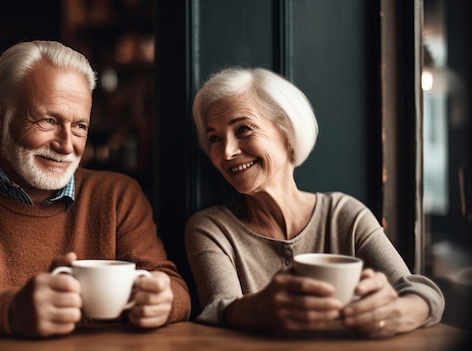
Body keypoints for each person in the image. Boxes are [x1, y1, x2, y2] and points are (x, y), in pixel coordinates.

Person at [0, 40, 190, 337]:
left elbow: (172, 286)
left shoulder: (119, 195)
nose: (67, 144)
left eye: (80, 126)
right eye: (47, 120)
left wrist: (162, 301)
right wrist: (11, 310)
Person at [184, 67, 444, 338]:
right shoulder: (211, 229)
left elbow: (422, 292)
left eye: (244, 129)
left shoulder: (344, 215)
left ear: (287, 130)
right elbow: (217, 310)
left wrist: (398, 312)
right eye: (215, 138)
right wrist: (258, 308)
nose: (226, 152)